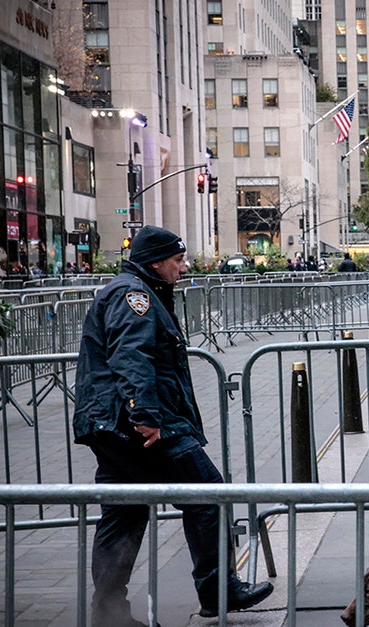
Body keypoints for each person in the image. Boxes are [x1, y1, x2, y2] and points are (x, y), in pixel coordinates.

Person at [73, 226, 272, 625]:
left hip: (115, 426)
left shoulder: (138, 291)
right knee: (206, 493)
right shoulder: (136, 296)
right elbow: (132, 358)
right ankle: (219, 591)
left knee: (124, 513)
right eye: (178, 261)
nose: (183, 268)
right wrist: (145, 417)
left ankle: (109, 614)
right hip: (139, 426)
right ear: (156, 262)